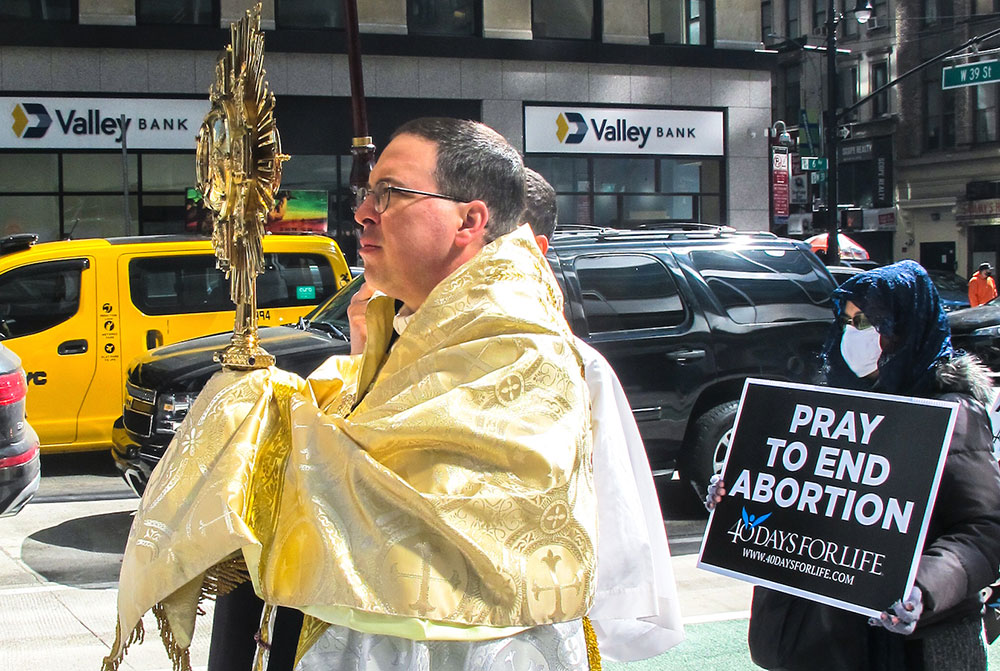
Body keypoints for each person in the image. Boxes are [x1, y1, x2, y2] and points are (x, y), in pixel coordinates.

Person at [103, 118, 598, 671]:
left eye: (391, 194)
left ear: (470, 219)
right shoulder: (412, 322)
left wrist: (258, 419)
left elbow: (404, 494)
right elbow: (363, 427)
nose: (363, 212)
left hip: (452, 644)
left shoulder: (515, 340)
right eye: (367, 194)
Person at [706, 259, 1000, 671]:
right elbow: (798, 506)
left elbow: (983, 530)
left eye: (867, 321)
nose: (853, 333)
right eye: (846, 321)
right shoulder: (827, 405)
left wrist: (923, 586)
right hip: (823, 641)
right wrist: (740, 491)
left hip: (914, 647)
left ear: (904, 326)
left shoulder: (952, 414)